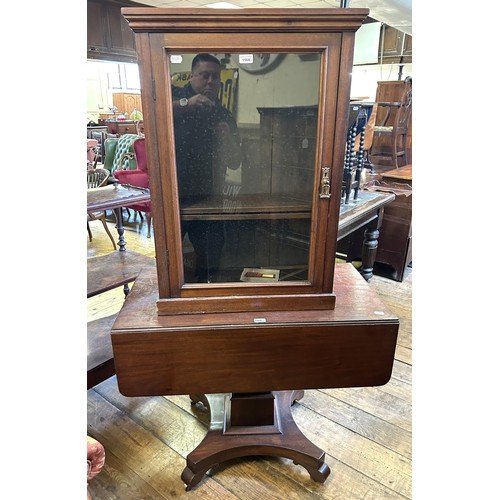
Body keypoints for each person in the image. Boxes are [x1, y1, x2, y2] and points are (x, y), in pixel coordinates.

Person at [171, 53, 242, 282]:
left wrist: (227, 139)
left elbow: (234, 162)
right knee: (168, 259)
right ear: (192, 77)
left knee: (211, 260)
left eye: (215, 77)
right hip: (174, 196)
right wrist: (186, 104)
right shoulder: (173, 97)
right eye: (204, 75)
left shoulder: (223, 115)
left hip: (209, 197)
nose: (210, 81)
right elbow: (153, 114)